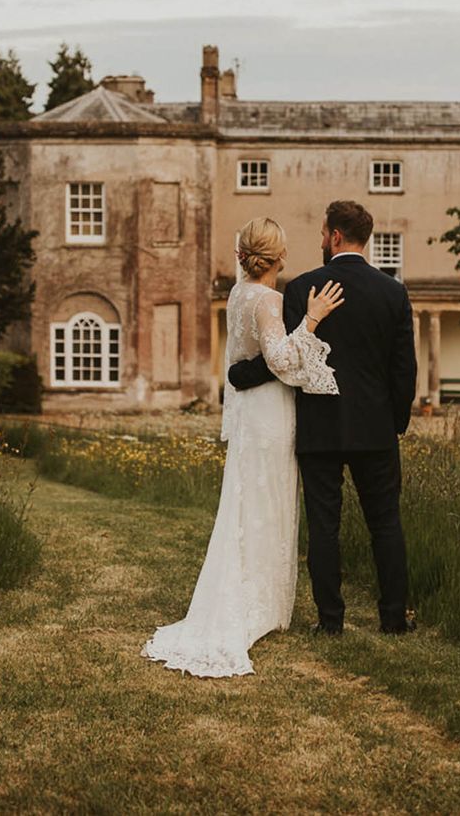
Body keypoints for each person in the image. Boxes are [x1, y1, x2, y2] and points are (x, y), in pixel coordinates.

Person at [141, 217, 343, 677]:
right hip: (270, 413)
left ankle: (260, 602)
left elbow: (244, 362)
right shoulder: (269, 300)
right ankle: (257, 608)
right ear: (281, 258)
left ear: (242, 257)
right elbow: (281, 359)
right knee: (267, 504)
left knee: (247, 502)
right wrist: (312, 319)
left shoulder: (237, 294)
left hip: (252, 411)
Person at [228, 200, 417, 635]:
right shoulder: (393, 292)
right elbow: (403, 368)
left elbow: (287, 360)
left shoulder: (302, 288)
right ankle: (393, 620)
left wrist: (240, 373)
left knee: (324, 527)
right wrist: (396, 422)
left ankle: (330, 621)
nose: (320, 241)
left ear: (334, 236)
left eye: (321, 234)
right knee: (386, 524)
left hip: (320, 426)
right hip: (376, 429)